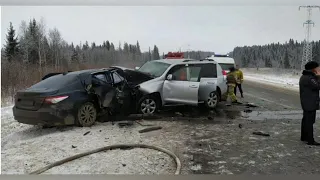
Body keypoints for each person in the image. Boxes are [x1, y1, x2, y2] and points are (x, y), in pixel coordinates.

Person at [299, 61, 320, 146]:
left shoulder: (304, 76)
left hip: (306, 102)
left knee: (306, 120)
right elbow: (318, 86)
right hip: (310, 103)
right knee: (309, 121)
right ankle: (310, 140)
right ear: (313, 69)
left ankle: (304, 137)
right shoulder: (310, 78)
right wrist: (318, 77)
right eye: (317, 68)